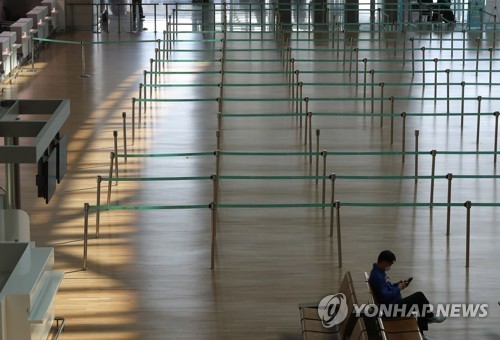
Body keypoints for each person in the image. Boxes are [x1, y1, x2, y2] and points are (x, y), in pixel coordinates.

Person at [369, 250, 446, 340]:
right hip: (390, 310)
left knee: (420, 302)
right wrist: (399, 288)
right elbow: (385, 296)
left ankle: (424, 327)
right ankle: (429, 317)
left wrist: (396, 285)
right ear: (384, 262)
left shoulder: (379, 272)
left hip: (393, 304)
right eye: (389, 264)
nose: (389, 267)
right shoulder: (377, 276)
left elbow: (387, 289)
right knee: (419, 296)